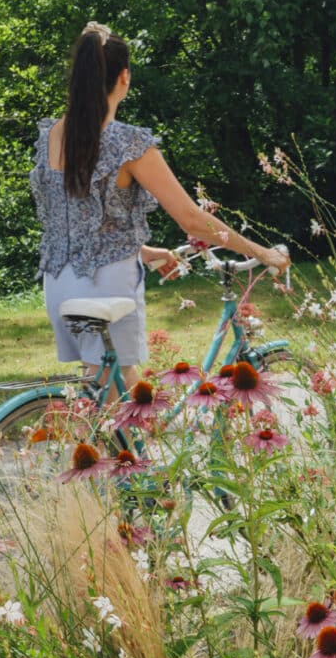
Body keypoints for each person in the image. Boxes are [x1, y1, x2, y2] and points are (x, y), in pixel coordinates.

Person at [33, 22, 288, 386]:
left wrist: (143, 251)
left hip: (60, 284)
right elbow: (192, 220)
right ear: (124, 77)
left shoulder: (55, 134)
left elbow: (76, 221)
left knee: (104, 386)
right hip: (105, 284)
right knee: (118, 391)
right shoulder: (129, 143)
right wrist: (262, 253)